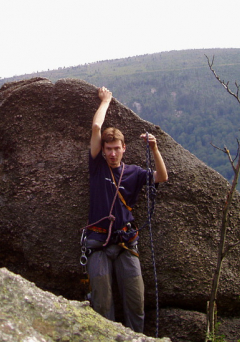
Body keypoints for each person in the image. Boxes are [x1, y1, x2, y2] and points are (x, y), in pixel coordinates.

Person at [84, 87, 168, 333]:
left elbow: (162, 177)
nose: (111, 153)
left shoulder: (134, 173)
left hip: (126, 243)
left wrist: (155, 149)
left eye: (115, 148)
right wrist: (106, 101)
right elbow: (97, 129)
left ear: (124, 149)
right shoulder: (97, 166)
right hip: (98, 242)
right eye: (108, 148)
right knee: (102, 304)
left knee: (135, 301)